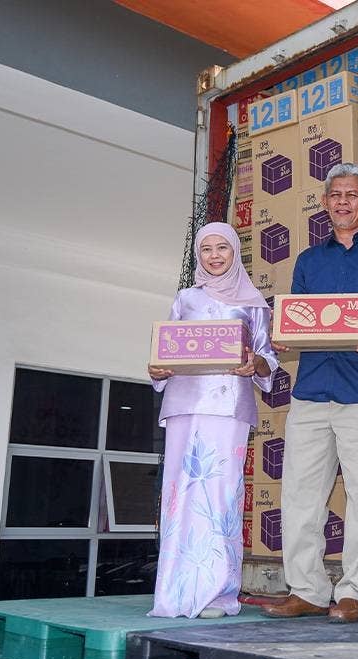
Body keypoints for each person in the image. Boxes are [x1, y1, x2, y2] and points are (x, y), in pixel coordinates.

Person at [260, 163, 358, 623]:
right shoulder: (309, 260)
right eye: (335, 195)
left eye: (352, 195)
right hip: (310, 389)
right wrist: (282, 335)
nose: (343, 202)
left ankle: (354, 593)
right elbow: (298, 318)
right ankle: (306, 588)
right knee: (300, 494)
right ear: (324, 203)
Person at [147, 221, 278, 619]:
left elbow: (267, 357)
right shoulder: (185, 299)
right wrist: (157, 370)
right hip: (185, 403)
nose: (215, 256)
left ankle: (217, 593)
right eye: (207, 249)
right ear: (199, 255)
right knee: (179, 496)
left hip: (227, 407)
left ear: (235, 253)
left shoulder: (253, 302)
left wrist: (253, 363)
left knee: (220, 497)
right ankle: (174, 590)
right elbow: (166, 349)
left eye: (223, 248)